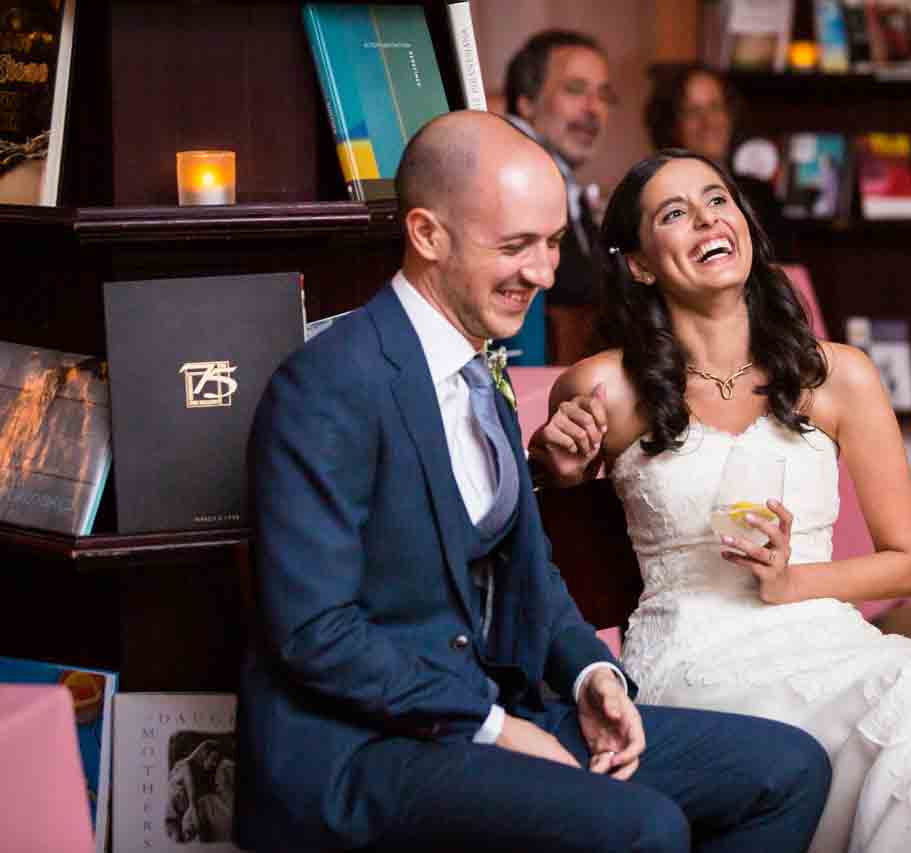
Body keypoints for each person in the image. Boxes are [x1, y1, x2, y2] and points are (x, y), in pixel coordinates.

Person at [234, 112, 832, 853]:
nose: (545, 273)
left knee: (791, 769)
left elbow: (531, 576)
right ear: (426, 235)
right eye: (515, 246)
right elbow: (316, 632)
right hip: (364, 752)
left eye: (551, 243)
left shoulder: (481, 367)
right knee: (647, 828)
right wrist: (493, 725)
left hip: (492, 715)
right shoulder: (329, 383)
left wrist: (589, 676)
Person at [529, 150, 911, 853]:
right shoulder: (603, 386)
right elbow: (543, 520)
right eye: (675, 213)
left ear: (744, 224)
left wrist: (794, 579)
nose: (707, 218)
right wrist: (553, 465)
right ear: (640, 263)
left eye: (718, 200)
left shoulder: (839, 376)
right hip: (696, 661)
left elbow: (908, 562)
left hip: (825, 643)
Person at [500, 29, 616, 364]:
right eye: (575, 90)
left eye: (604, 95)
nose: (594, 109)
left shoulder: (567, 186)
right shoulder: (511, 178)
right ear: (526, 102)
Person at [643, 64, 784, 241]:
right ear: (671, 125)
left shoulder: (761, 195)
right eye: (693, 111)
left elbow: (786, 266)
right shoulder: (656, 201)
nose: (708, 122)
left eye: (715, 107)